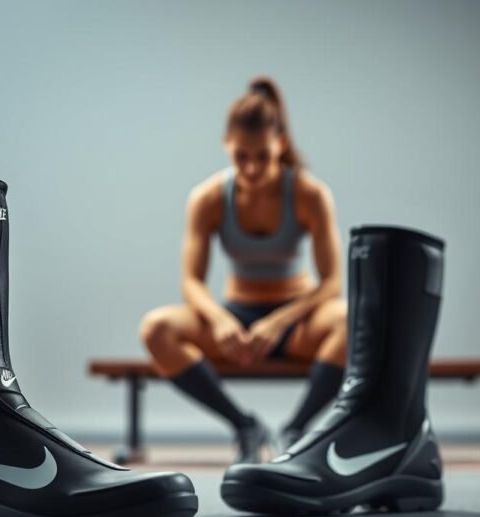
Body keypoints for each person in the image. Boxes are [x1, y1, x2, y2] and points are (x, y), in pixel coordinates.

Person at [140, 77, 347, 463]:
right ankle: (244, 426)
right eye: (241, 157)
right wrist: (220, 320)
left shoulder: (310, 195)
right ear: (226, 145)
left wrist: (279, 322)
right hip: (236, 318)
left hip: (296, 322)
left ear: (280, 144)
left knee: (352, 320)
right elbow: (191, 281)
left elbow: (332, 282)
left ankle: (294, 429)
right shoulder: (207, 198)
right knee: (156, 328)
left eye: (262, 157)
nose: (251, 168)